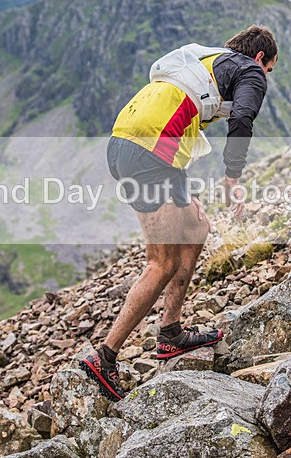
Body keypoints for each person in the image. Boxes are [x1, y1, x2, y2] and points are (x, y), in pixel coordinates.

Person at [81, 25, 278, 401]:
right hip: (149, 152)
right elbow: (242, 120)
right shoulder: (250, 70)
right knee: (162, 263)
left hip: (127, 144)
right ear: (259, 58)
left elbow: (173, 121)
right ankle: (104, 357)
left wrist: (184, 192)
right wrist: (232, 177)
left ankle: (171, 332)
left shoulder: (203, 62)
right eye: (269, 68)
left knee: (196, 226)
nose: (265, 76)